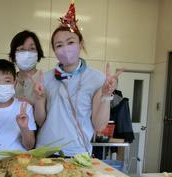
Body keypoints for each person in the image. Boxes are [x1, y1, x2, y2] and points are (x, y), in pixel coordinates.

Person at [35, 2, 123, 157]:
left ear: (80, 44)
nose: (65, 48)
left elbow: (99, 125)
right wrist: (39, 99)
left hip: (77, 154)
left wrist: (105, 95)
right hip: (45, 152)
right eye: (59, 45)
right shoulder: (46, 78)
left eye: (70, 42)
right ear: (54, 50)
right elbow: (40, 121)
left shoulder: (96, 78)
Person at [9, 30, 45, 104]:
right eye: (22, 49)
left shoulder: (46, 80)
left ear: (38, 53)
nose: (27, 53)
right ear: (14, 55)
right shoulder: (8, 81)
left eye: (32, 48)